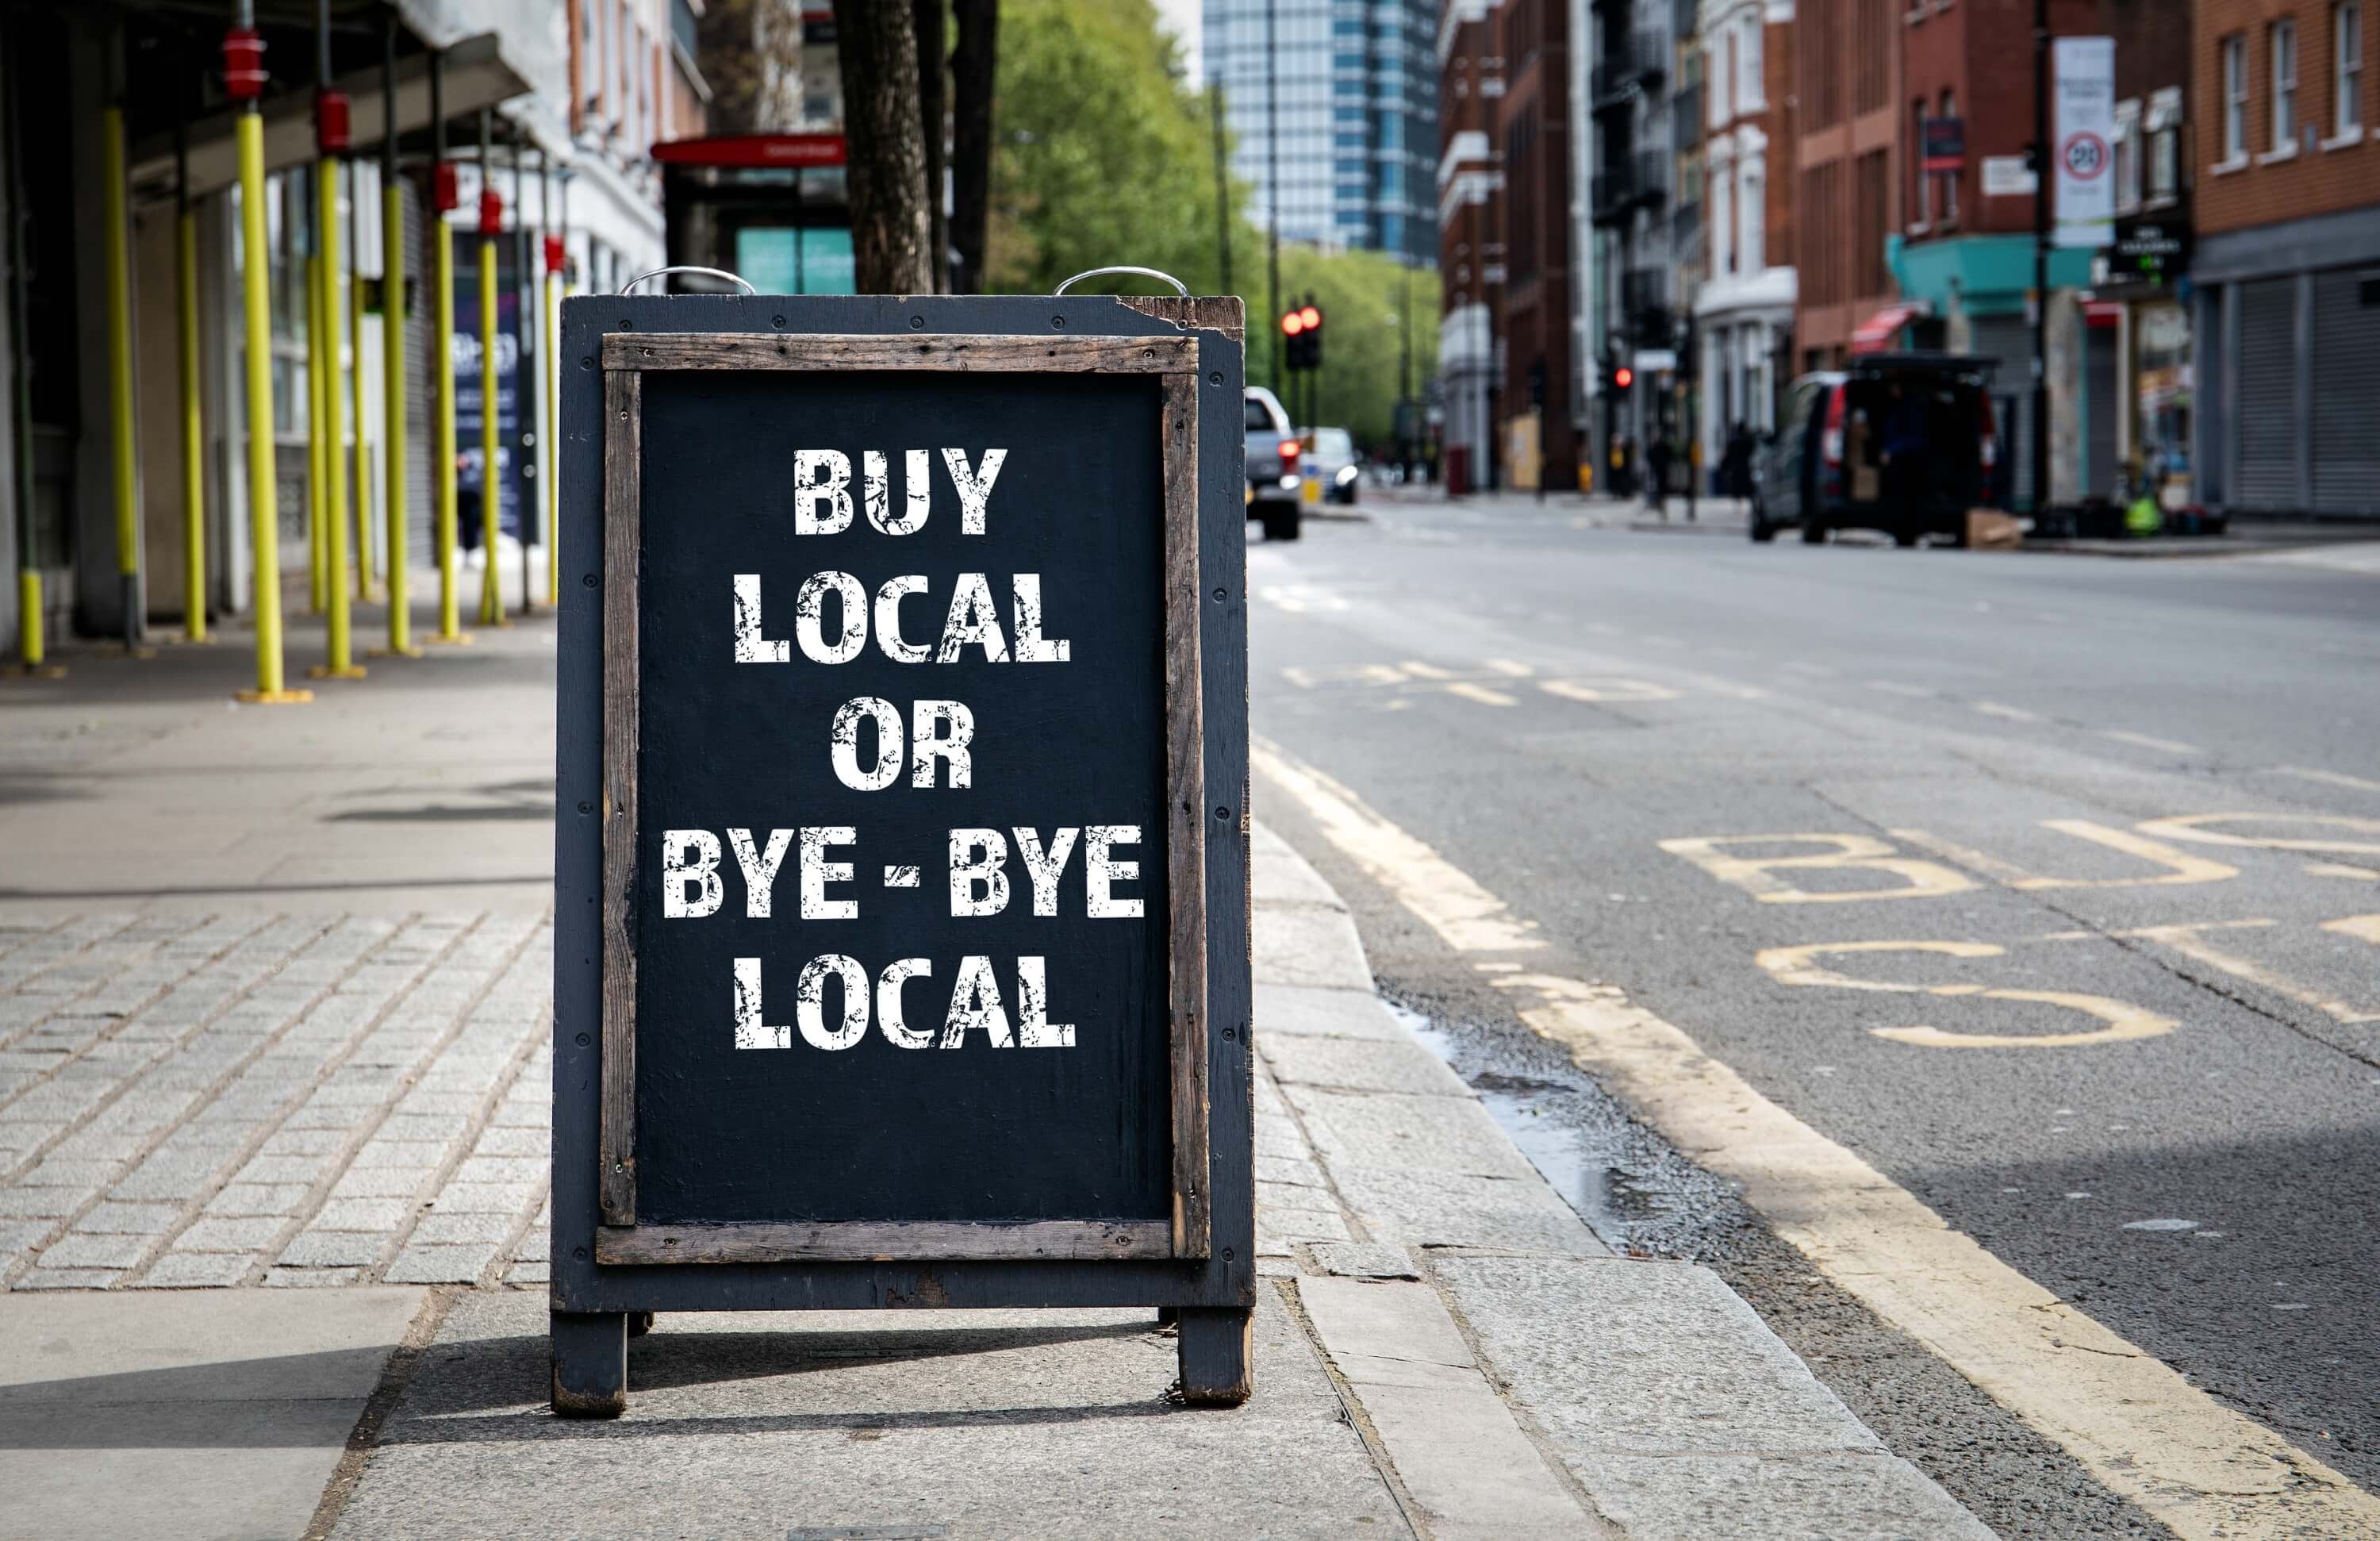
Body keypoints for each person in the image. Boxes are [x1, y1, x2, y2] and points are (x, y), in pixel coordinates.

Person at [1645, 430, 1672, 516]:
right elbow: (1649, 456)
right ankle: (1658, 503)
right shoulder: (1654, 447)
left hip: (1661, 470)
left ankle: (1661, 504)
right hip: (1656, 470)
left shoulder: (1662, 446)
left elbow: (1669, 455)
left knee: (1661, 487)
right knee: (1656, 487)